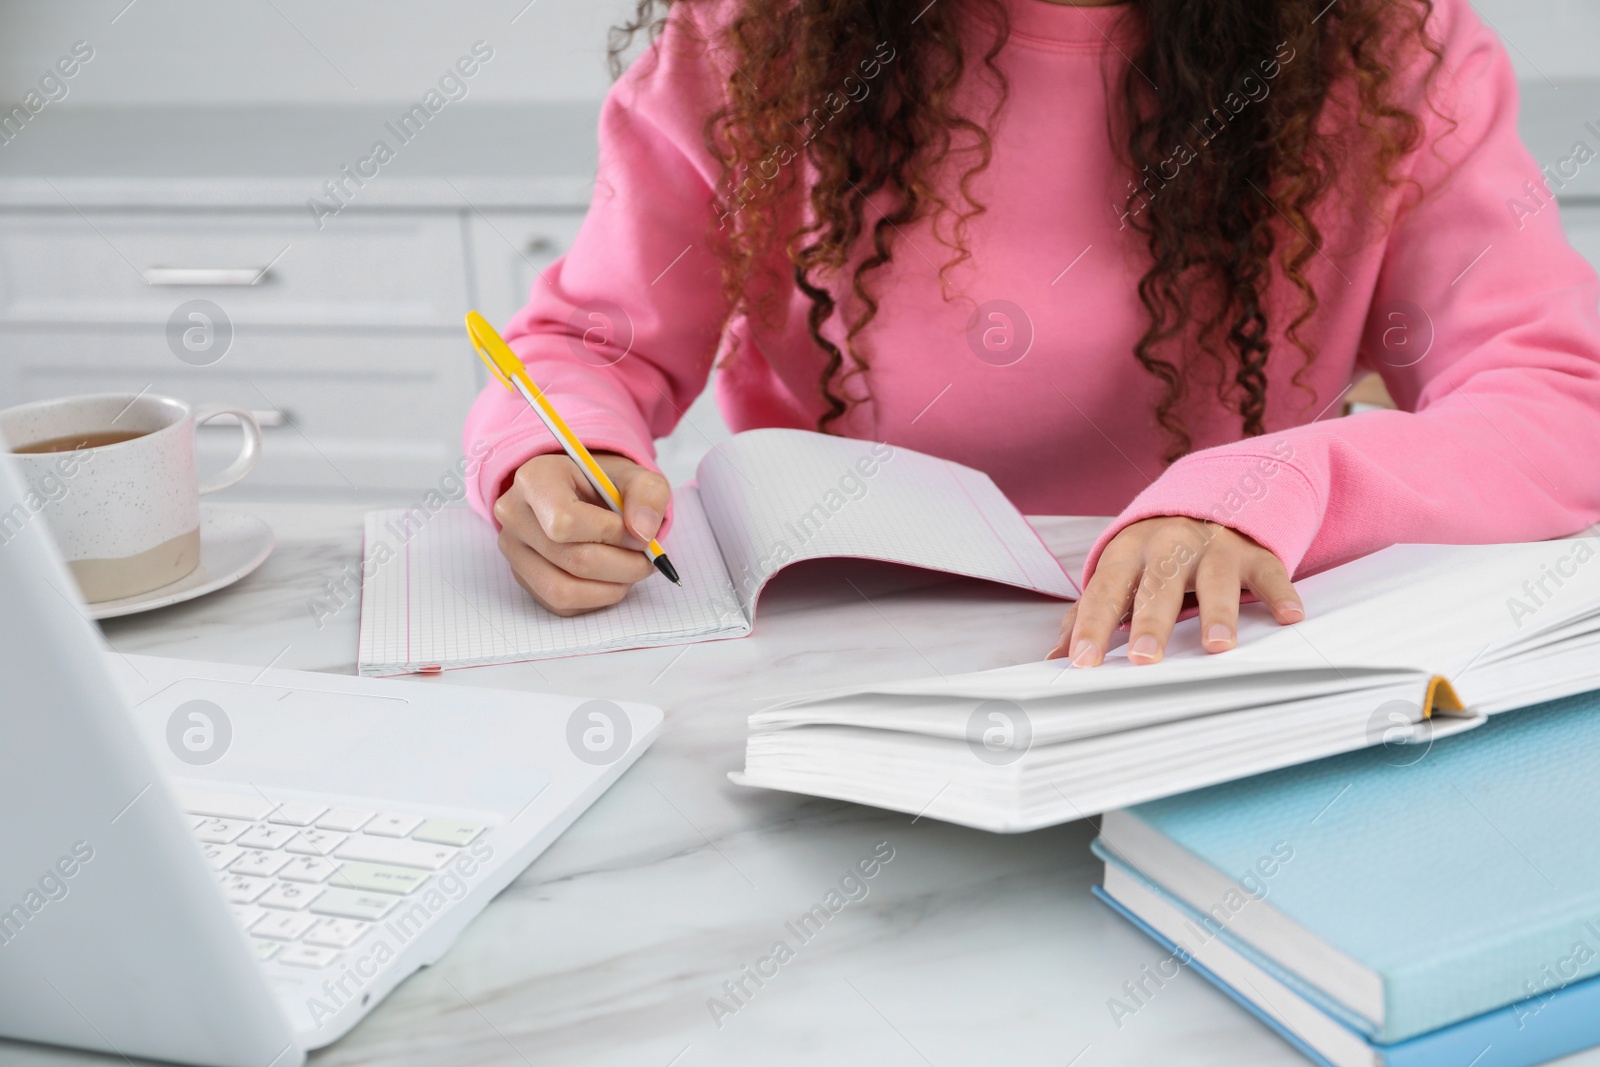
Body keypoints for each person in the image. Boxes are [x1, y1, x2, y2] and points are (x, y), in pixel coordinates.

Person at [464, 0, 1600, 666]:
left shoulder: (1385, 44)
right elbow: (590, 343)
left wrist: (1283, 478)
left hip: (1221, 646)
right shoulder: (757, 34)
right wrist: (560, 456)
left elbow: (1558, 394)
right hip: (824, 653)